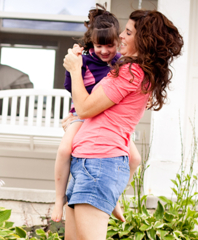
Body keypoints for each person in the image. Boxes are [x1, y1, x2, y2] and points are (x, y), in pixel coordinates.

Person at [60, 9, 184, 240]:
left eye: (128, 32)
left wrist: (75, 70)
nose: (121, 37)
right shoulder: (135, 70)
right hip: (88, 161)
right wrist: (76, 120)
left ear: (144, 38)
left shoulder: (131, 72)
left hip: (98, 163)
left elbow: (86, 107)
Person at [48, 3, 142, 226]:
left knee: (135, 159)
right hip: (82, 115)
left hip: (105, 121)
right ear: (92, 43)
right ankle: (58, 199)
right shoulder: (84, 60)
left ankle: (114, 197)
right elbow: (71, 87)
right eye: (100, 46)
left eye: (110, 46)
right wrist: (75, 65)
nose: (105, 51)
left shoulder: (121, 62)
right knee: (64, 150)